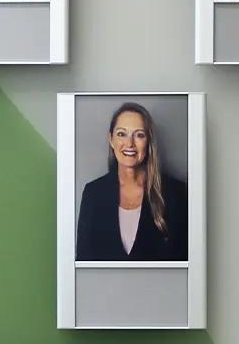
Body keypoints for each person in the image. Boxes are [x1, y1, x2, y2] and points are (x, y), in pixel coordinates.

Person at [75, 102, 189, 262]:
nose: (129, 144)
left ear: (148, 141)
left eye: (139, 135)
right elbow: (83, 261)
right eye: (122, 134)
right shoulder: (93, 193)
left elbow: (184, 263)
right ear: (111, 139)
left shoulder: (175, 193)